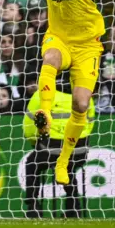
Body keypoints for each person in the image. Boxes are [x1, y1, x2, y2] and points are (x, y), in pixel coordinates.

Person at [6, 0, 105, 186]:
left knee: (81, 104)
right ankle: (45, 115)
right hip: (59, 38)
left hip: (87, 46)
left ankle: (64, 160)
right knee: (50, 58)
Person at [23, 82, 95, 218]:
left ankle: (33, 206)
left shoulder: (42, 95)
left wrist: (35, 142)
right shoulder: (86, 95)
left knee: (32, 163)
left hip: (49, 150)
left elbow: (29, 126)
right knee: (67, 166)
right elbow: (90, 124)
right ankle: (73, 206)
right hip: (79, 151)